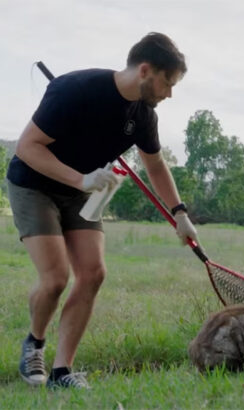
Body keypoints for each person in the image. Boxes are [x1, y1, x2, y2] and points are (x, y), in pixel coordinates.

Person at [7, 32, 198, 389]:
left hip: (84, 190)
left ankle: (62, 372)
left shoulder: (143, 115)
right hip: (34, 182)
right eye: (168, 82)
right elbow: (28, 147)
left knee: (93, 274)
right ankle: (35, 342)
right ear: (145, 70)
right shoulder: (75, 89)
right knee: (55, 279)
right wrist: (80, 179)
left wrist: (180, 214)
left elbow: (155, 166)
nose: (170, 93)